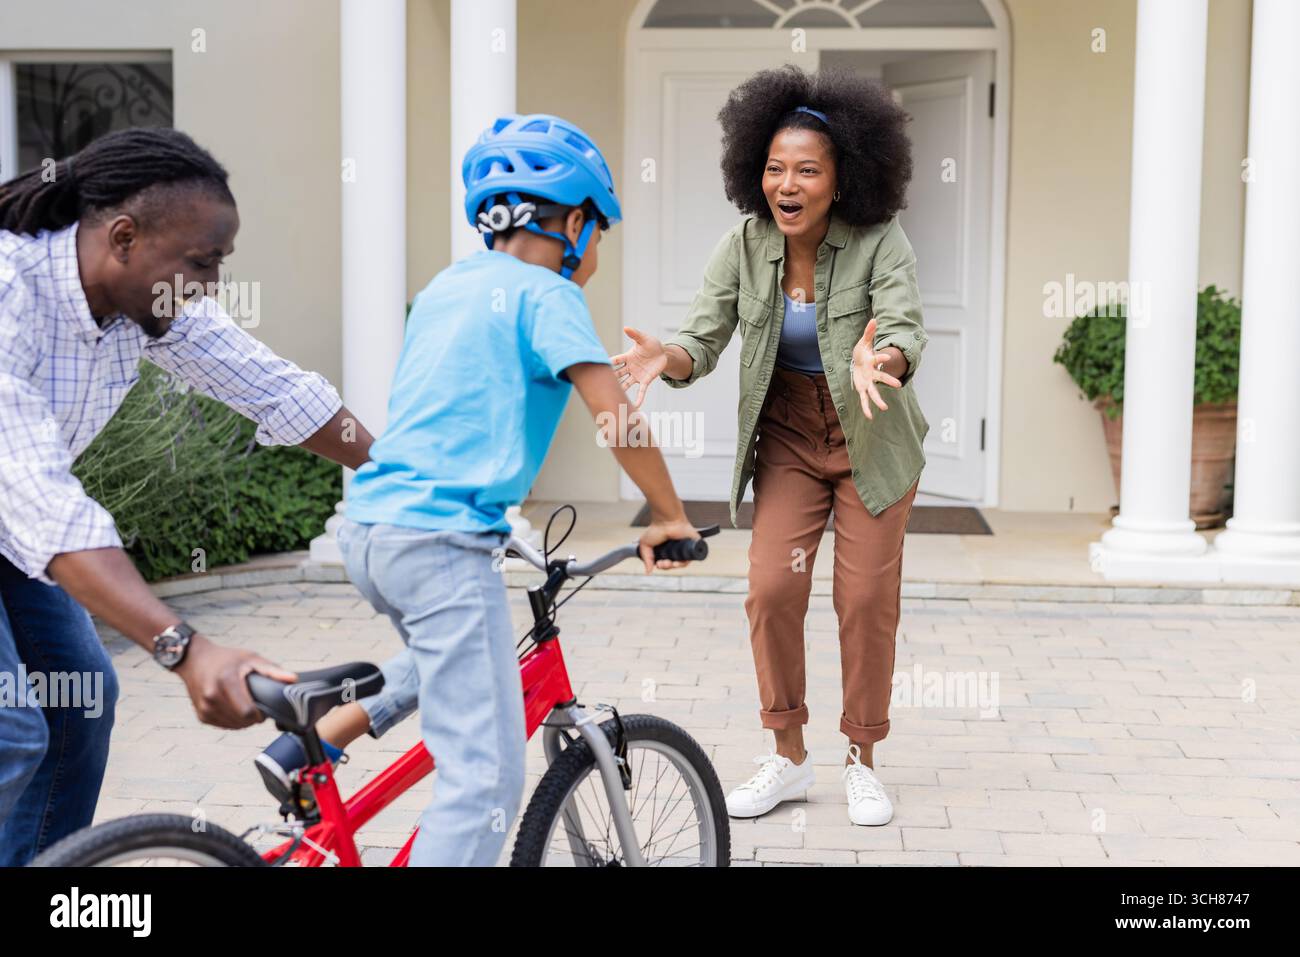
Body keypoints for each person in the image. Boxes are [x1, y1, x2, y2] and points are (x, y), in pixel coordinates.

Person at [256, 114, 698, 866]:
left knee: (463, 648)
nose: (597, 255)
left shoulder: (445, 289)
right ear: (576, 223)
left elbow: (451, 414)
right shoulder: (547, 293)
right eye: (602, 233)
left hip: (373, 528)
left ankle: (326, 734)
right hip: (437, 540)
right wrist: (670, 513)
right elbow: (616, 421)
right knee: (486, 782)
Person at [0, 127, 375, 865]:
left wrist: (406, 476)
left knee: (80, 703)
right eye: (202, 263)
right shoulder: (10, 291)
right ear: (125, 236)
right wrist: (185, 648)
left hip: (13, 525)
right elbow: (41, 495)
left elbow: (276, 390)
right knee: (12, 727)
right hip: (25, 511)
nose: (210, 285)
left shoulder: (151, 302)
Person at [613, 66, 928, 827]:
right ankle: (787, 755)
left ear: (841, 178)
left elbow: (905, 327)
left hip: (871, 438)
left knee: (862, 600)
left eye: (806, 170)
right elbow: (703, 335)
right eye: (775, 167)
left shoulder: (879, 240)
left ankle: (862, 757)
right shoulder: (746, 245)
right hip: (787, 437)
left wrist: (877, 360)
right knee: (772, 589)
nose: (787, 183)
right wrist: (668, 359)